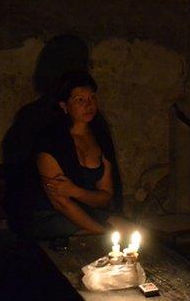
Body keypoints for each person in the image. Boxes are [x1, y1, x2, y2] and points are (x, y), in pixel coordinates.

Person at [15, 71, 127, 239]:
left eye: (92, 98)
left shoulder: (100, 136)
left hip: (86, 208)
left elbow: (105, 196)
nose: (89, 105)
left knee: (130, 229)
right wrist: (102, 233)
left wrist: (75, 191)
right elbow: (60, 202)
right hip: (48, 215)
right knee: (98, 239)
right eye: (79, 100)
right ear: (64, 105)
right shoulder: (49, 141)